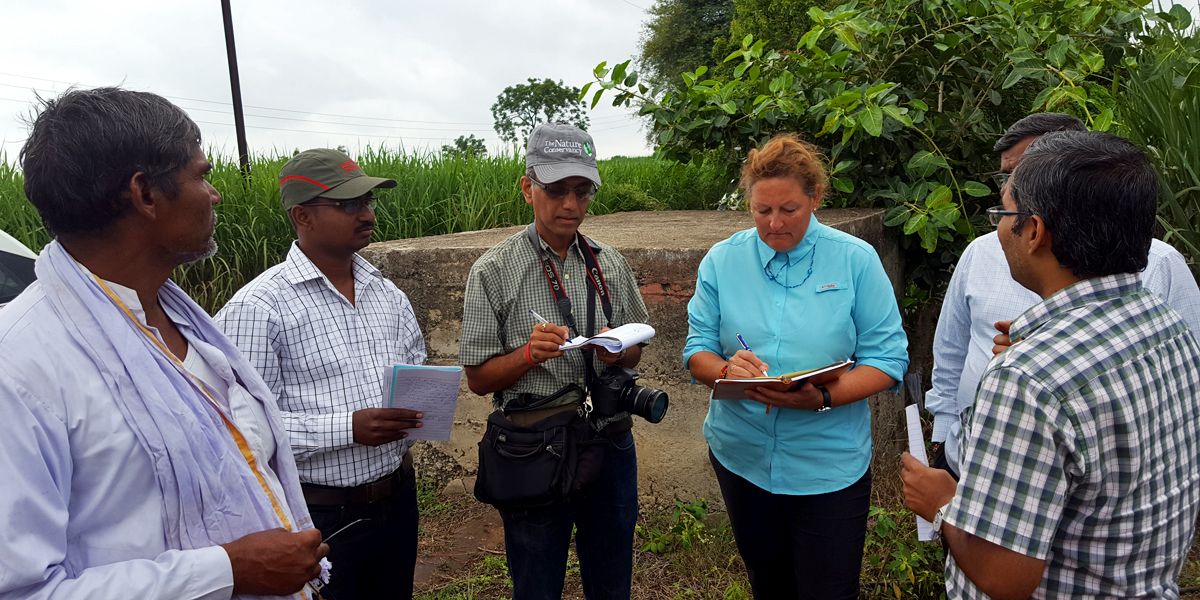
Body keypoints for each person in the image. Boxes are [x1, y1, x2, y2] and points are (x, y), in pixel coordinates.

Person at [0, 87, 327, 599]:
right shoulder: (19, 367)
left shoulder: (191, 328)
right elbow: (22, 591)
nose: (214, 194)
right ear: (145, 194)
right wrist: (227, 572)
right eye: (201, 175)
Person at [902, 131, 1200, 598]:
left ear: (1035, 231)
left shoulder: (1028, 378)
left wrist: (942, 501)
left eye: (1004, 213)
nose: (998, 229)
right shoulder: (1164, 324)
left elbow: (1006, 576)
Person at [683, 133, 909, 598]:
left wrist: (823, 396)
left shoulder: (854, 261)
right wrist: (727, 371)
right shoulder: (723, 261)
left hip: (829, 466)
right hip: (740, 455)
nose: (774, 223)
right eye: (762, 210)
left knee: (829, 589)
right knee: (769, 585)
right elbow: (697, 349)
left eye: (789, 210)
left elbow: (888, 360)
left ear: (815, 198)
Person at [924, 112, 1200, 476]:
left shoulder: (1161, 265)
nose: (1009, 190)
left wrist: (1042, 358)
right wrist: (945, 436)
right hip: (971, 461)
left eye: (1024, 174)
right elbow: (951, 350)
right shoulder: (980, 252)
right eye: (1005, 177)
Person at [216, 148, 427, 600]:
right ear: (302, 217)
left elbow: (416, 373)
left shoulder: (386, 295)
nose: (367, 213)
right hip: (318, 516)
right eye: (349, 204)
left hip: (396, 501)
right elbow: (238, 433)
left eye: (369, 202)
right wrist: (347, 428)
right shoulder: (258, 308)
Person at [459, 122, 650, 600]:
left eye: (582, 192)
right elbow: (479, 379)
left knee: (612, 576)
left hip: (609, 438)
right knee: (537, 579)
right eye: (556, 190)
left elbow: (637, 345)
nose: (570, 205)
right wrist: (528, 354)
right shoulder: (494, 270)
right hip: (534, 446)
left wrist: (616, 347)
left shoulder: (609, 262)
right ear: (528, 189)